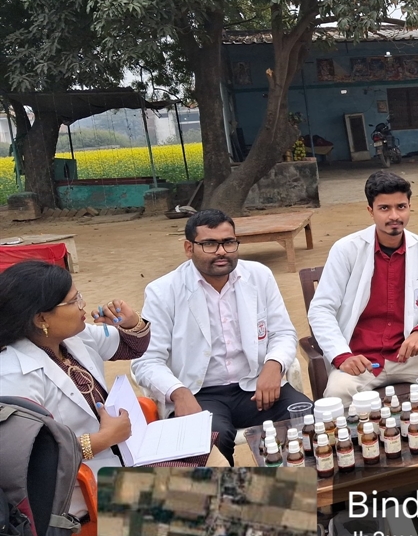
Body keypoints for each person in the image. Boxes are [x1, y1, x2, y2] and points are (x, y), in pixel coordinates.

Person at [131, 209, 306, 464]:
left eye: (228, 242)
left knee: (306, 418)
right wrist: (178, 393)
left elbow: (283, 332)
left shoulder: (259, 276)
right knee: (210, 440)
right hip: (200, 394)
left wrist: (274, 364)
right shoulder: (163, 291)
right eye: (210, 244)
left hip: (256, 385)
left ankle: (308, 486)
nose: (222, 251)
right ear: (189, 248)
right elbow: (146, 361)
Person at [0, 261, 149, 518]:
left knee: (203, 482)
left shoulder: (72, 336)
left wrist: (130, 322)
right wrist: (102, 440)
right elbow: (24, 459)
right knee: (201, 505)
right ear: (41, 318)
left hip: (120, 459)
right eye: (73, 301)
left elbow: (132, 347)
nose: (83, 304)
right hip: (76, 488)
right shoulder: (13, 375)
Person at [307, 171, 418, 400]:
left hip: (407, 355)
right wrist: (342, 356)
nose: (394, 215)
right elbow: (321, 309)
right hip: (360, 359)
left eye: (401, 207)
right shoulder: (346, 249)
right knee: (338, 392)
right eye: (384, 208)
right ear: (371, 211)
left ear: (409, 207)